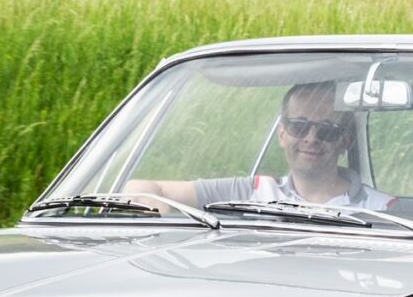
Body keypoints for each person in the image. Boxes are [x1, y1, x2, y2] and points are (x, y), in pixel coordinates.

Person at [130, 80, 393, 211]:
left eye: (326, 130)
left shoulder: (383, 208)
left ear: (344, 141)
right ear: (282, 134)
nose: (311, 138)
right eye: (299, 126)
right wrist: (154, 213)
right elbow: (139, 187)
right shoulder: (250, 192)